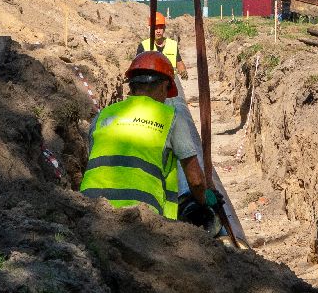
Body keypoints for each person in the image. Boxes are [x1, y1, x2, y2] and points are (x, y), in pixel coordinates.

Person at [80, 51, 219, 233]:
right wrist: (205, 200)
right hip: (141, 219)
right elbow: (195, 180)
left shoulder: (102, 115)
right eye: (168, 93)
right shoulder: (171, 118)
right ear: (163, 87)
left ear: (132, 87)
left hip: (89, 212)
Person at [142, 11, 186, 76]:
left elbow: (179, 62)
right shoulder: (143, 46)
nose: (158, 31)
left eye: (160, 28)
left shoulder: (172, 44)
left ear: (164, 28)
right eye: (155, 28)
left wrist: (183, 71)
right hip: (152, 81)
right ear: (150, 29)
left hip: (171, 79)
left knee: (178, 86)